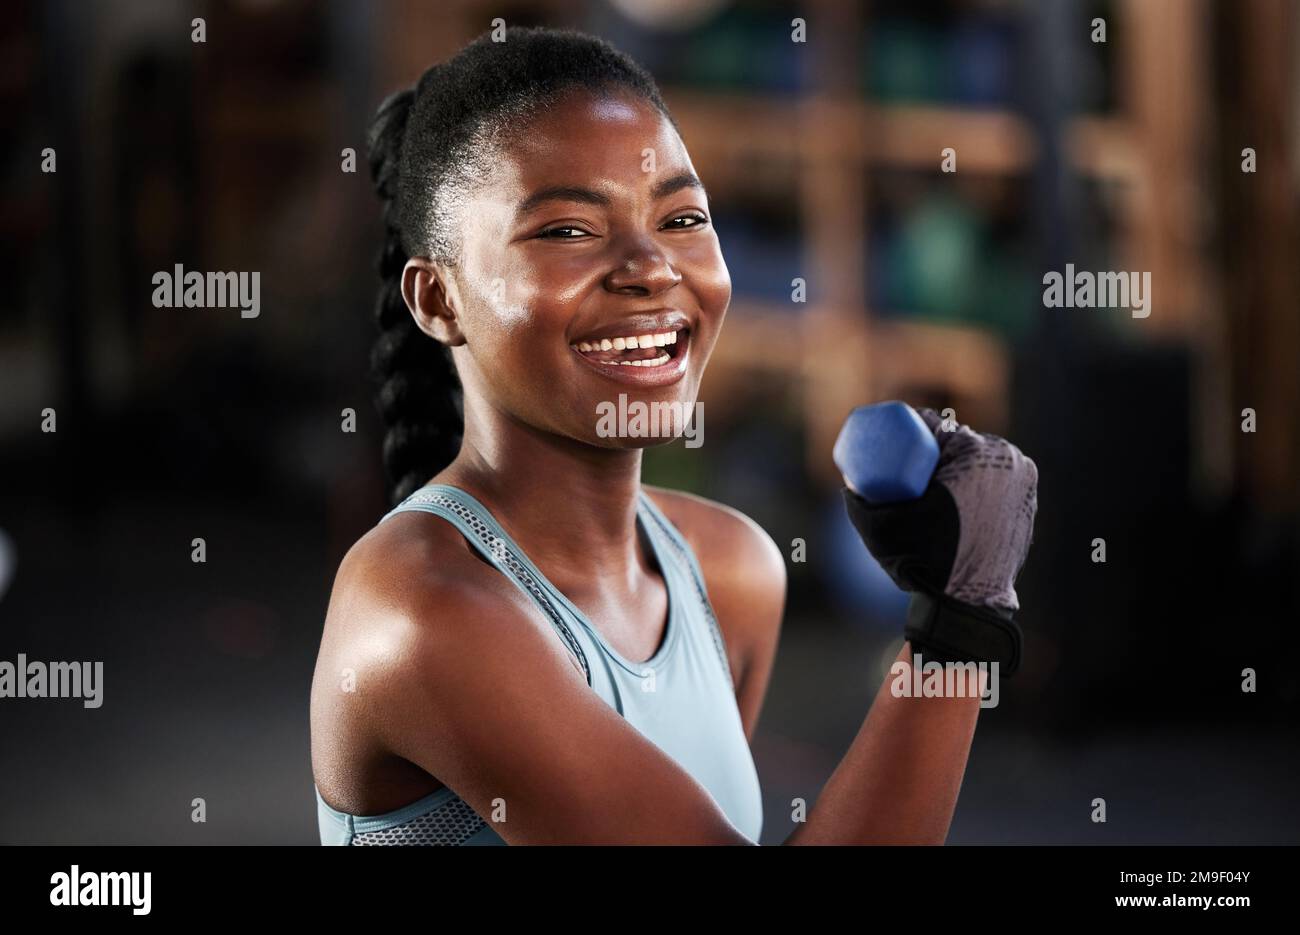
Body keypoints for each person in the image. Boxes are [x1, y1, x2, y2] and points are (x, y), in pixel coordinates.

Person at [309, 25, 1037, 845]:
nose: (651, 266)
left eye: (682, 216)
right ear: (437, 300)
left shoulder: (732, 570)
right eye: (567, 231)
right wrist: (960, 623)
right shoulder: (418, 612)